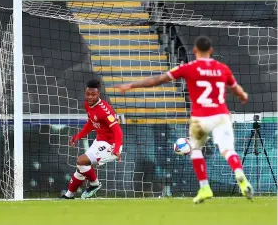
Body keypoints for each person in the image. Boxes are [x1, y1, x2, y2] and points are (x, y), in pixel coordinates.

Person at [115, 36, 253, 204]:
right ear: (211, 51)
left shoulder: (188, 67)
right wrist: (243, 95)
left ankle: (204, 187)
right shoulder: (221, 68)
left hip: (201, 116)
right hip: (221, 115)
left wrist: (131, 85)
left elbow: (158, 80)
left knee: (195, 150)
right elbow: (235, 89)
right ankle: (239, 174)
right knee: (227, 150)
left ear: (195, 51)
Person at [61, 80, 123, 199]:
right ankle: (69, 195)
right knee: (81, 167)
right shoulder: (87, 105)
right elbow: (91, 123)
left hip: (111, 145)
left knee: (81, 160)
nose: (90, 97)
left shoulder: (105, 110)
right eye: (87, 94)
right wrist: (78, 136)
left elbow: (118, 131)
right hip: (99, 141)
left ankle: (95, 184)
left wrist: (117, 148)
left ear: (98, 94)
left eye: (93, 94)